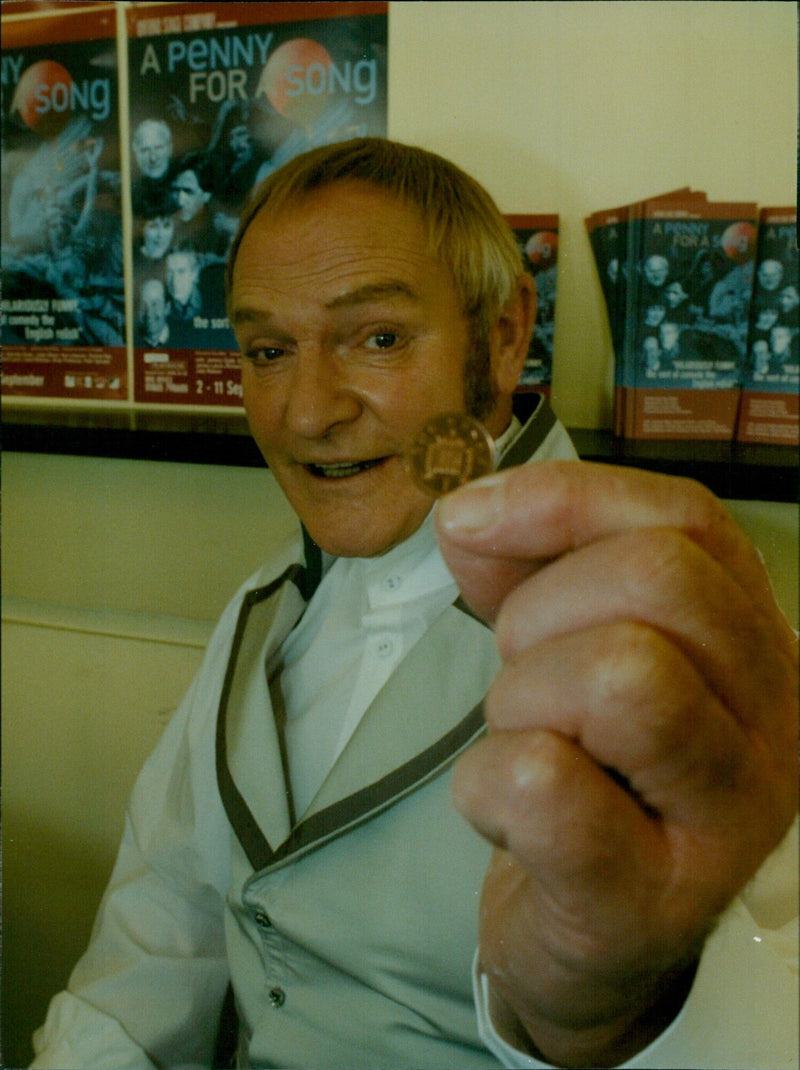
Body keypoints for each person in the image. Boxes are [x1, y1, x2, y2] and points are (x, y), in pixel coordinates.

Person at [31, 138, 798, 1070]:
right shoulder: (262, 606)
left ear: (506, 334)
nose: (307, 411)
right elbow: (160, 929)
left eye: (379, 337)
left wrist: (602, 1022)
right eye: (268, 350)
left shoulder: (682, 646)